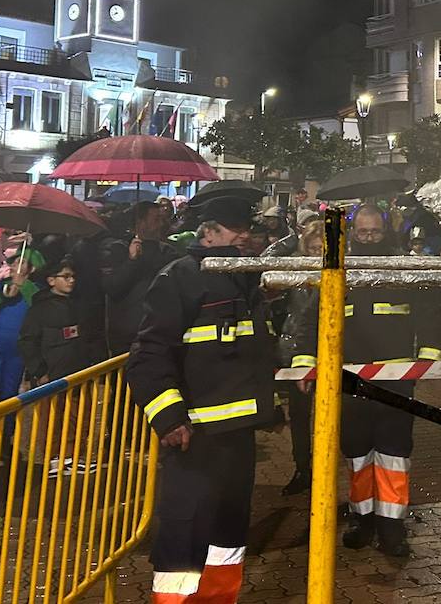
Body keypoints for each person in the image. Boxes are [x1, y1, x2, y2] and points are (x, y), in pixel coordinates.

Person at [127, 196, 274, 604]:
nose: (245, 236)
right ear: (207, 233)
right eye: (234, 228)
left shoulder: (246, 279)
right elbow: (148, 356)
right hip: (196, 435)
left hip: (238, 435)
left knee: (228, 534)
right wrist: (170, 418)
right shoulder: (181, 277)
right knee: (185, 533)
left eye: (247, 228)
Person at [292, 205, 441, 557]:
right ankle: (362, 518)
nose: (368, 239)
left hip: (395, 385)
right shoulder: (338, 270)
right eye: (362, 233)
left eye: (374, 232)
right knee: (357, 453)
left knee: (394, 455)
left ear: (385, 231)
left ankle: (392, 527)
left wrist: (427, 360)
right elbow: (310, 321)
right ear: (352, 233)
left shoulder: (402, 268)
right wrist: (305, 363)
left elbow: (429, 318)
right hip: (347, 384)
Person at [276, 213, 325, 496]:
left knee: (327, 414)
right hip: (295, 350)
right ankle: (302, 468)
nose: (317, 254)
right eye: (313, 248)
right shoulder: (293, 271)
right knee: (298, 414)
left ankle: (323, 464)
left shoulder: (339, 272)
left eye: (323, 249)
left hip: (328, 350)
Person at [102, 202, 179, 355]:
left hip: (158, 329)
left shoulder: (168, 252)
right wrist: (132, 261)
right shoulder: (118, 248)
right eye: (156, 219)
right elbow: (113, 287)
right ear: (140, 222)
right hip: (126, 332)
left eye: (162, 218)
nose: (161, 224)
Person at [18, 261, 108, 385]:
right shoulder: (39, 309)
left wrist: (96, 363)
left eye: (73, 276)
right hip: (51, 381)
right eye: (66, 276)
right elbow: (28, 342)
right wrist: (40, 372)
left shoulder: (81, 305)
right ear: (51, 281)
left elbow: (92, 335)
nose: (71, 280)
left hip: (81, 377)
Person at [0, 239, 44, 408]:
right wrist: (6, 291)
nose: (14, 266)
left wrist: (24, 286)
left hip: (17, 350)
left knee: (10, 394)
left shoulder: (36, 290)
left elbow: (37, 305)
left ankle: (7, 432)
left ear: (32, 268)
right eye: (13, 262)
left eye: (20, 262)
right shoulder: (0, 285)